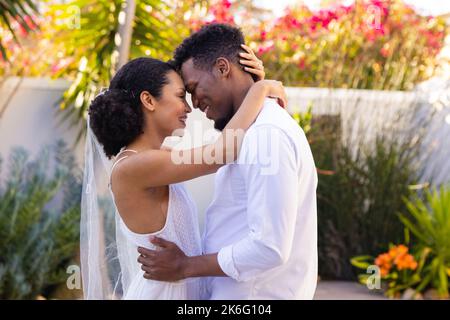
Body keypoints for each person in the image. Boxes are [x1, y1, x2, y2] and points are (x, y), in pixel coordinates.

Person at [82, 51, 287, 299]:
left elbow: (230, 139)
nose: (189, 108)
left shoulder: (157, 158)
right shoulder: (134, 167)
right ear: (148, 100)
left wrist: (245, 84)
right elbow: (222, 152)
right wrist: (259, 89)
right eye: (180, 96)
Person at [137, 23, 318, 300]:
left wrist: (185, 266)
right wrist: (258, 89)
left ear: (223, 68)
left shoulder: (266, 135)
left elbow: (270, 246)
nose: (194, 104)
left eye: (194, 88)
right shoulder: (248, 134)